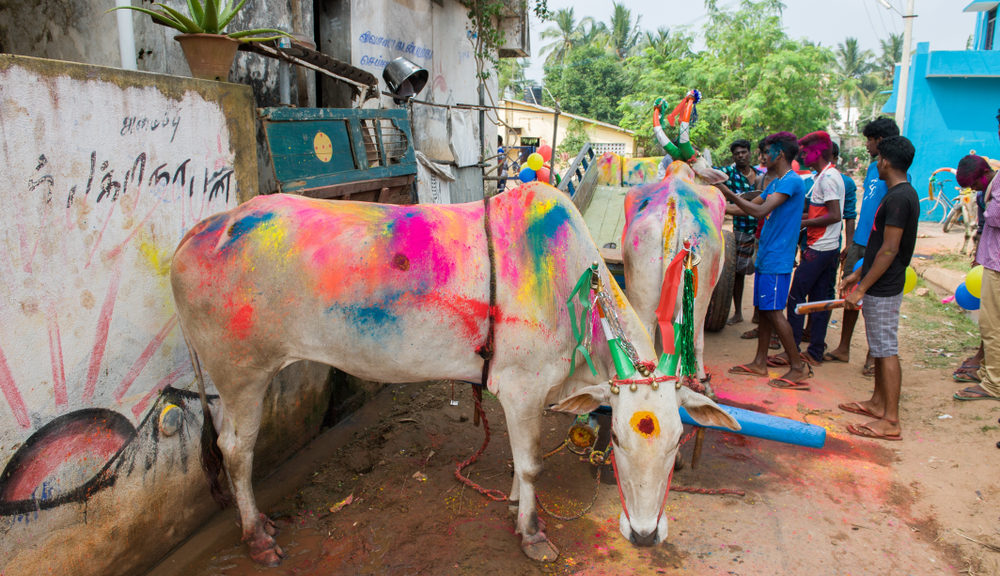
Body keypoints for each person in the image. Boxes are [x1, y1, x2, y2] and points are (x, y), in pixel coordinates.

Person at [838, 135, 919, 440]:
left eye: (878, 158)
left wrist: (862, 289)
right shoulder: (897, 192)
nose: (876, 163)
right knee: (881, 345)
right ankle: (877, 404)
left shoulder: (900, 197)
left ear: (885, 161)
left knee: (885, 351)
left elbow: (889, 250)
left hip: (885, 286)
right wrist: (857, 276)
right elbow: (877, 248)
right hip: (877, 282)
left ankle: (892, 420)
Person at [721, 132, 811, 389]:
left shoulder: (791, 182)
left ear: (779, 154)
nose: (760, 158)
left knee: (773, 311)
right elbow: (742, 207)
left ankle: (797, 366)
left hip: (777, 258)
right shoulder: (774, 183)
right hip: (768, 255)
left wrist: (726, 190)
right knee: (765, 311)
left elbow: (759, 211)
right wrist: (714, 201)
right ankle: (760, 362)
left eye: (765, 153)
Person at [824, 117, 901, 373]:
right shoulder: (872, 168)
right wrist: (852, 240)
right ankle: (843, 347)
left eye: (869, 139)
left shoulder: (898, 173)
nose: (866, 144)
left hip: (877, 245)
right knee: (849, 294)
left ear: (881, 141)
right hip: (859, 241)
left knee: (872, 300)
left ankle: (873, 355)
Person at [779, 131, 844, 365]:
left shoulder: (827, 179)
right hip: (828, 247)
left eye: (806, 152)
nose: (803, 156)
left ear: (818, 152)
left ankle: (792, 351)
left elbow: (834, 215)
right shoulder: (826, 176)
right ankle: (815, 351)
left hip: (819, 248)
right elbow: (822, 211)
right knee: (818, 301)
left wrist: (803, 223)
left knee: (796, 298)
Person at [952, 155, 1000, 400]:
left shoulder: (997, 187)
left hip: (998, 265)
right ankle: (988, 373)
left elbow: (995, 217)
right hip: (992, 261)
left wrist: (989, 200)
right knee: (991, 325)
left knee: (992, 327)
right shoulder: (989, 190)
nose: (973, 190)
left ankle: (994, 384)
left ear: (983, 175)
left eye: (974, 184)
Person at [718, 139, 762, 326]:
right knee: (738, 273)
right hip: (742, 230)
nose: (741, 156)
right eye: (737, 154)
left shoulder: (760, 175)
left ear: (750, 153)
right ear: (733, 156)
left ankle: (759, 314)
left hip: (761, 230)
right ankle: (737, 313)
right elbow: (712, 177)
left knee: (762, 272)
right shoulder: (728, 173)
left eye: (744, 152)